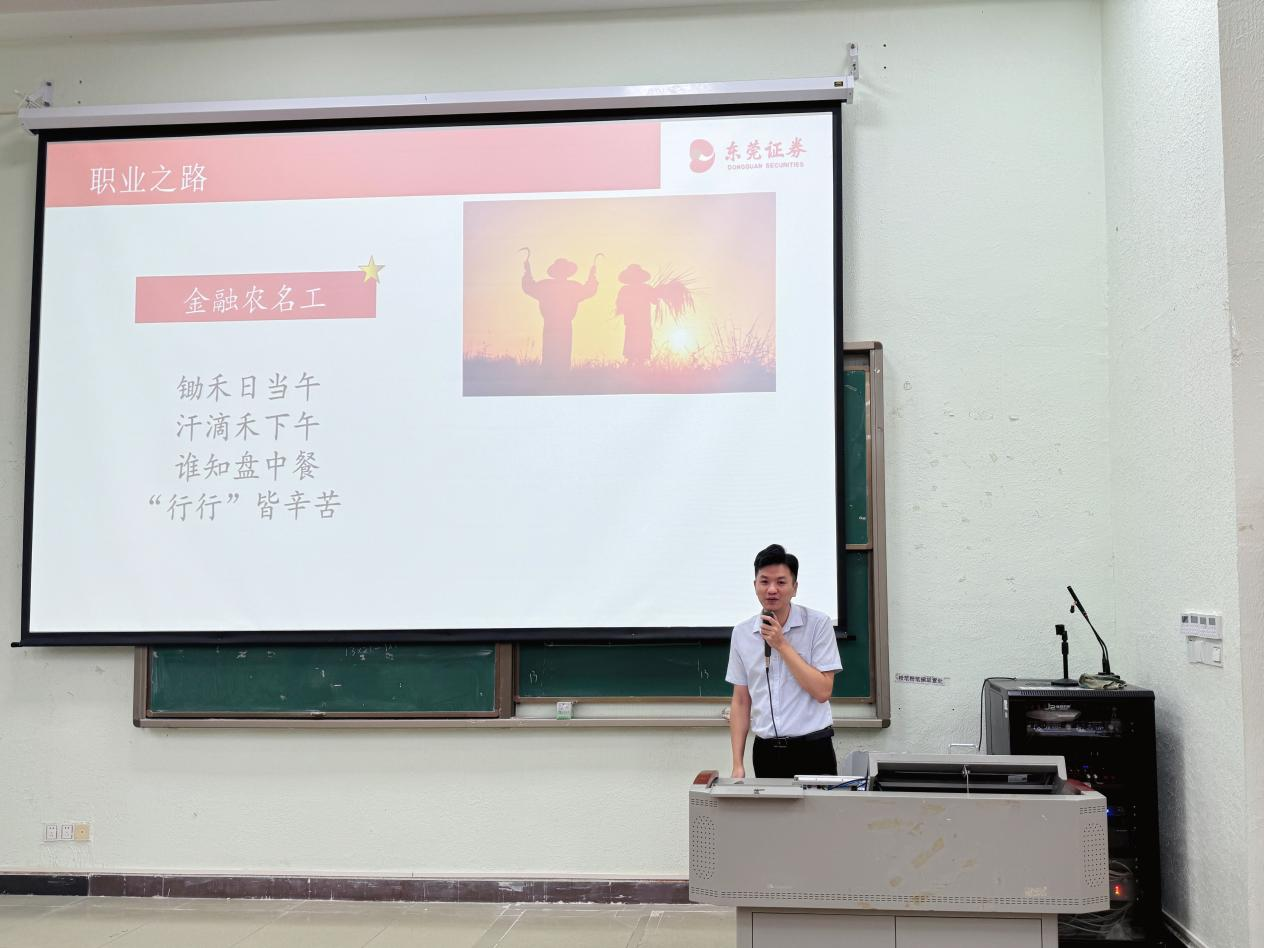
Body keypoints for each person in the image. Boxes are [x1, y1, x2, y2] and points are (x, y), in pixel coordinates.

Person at [726, 544, 842, 779]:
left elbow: (823, 691)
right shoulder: (742, 633)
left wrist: (781, 644)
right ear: (755, 585)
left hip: (813, 748)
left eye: (780, 582)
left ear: (794, 588)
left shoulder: (818, 624)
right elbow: (741, 701)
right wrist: (737, 763)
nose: (772, 590)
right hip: (766, 751)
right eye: (764, 582)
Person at [520, 255, 598, 373]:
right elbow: (588, 290)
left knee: (551, 352)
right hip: (563, 325)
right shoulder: (572, 287)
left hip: (551, 324)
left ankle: (550, 375)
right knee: (563, 352)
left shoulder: (546, 286)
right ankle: (560, 375)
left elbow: (530, 287)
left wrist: (528, 272)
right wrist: (592, 276)